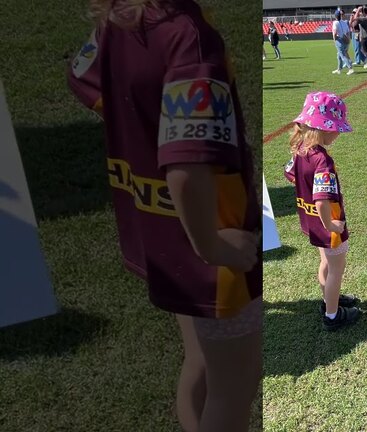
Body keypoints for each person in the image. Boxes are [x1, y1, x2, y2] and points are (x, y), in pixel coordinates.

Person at [67, 1, 261, 431]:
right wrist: (211, 245)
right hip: (216, 246)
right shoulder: (189, 38)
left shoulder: (122, 15)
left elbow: (81, 75)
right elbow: (187, 166)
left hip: (161, 230)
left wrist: (137, 123)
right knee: (235, 387)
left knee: (202, 362)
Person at [283, 91, 362, 331]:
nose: (339, 133)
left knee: (325, 263)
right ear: (325, 128)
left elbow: (289, 175)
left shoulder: (300, 150)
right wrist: (331, 225)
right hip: (328, 223)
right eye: (337, 128)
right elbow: (321, 200)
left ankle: (329, 300)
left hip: (310, 221)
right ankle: (332, 316)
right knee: (337, 268)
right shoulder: (322, 161)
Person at [331, 9, 355, 75]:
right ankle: (339, 69)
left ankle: (350, 68)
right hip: (345, 40)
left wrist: (334, 40)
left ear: (335, 16)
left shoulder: (335, 23)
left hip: (339, 40)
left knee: (343, 55)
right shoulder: (344, 22)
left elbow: (335, 33)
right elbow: (348, 32)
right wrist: (348, 39)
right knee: (339, 55)